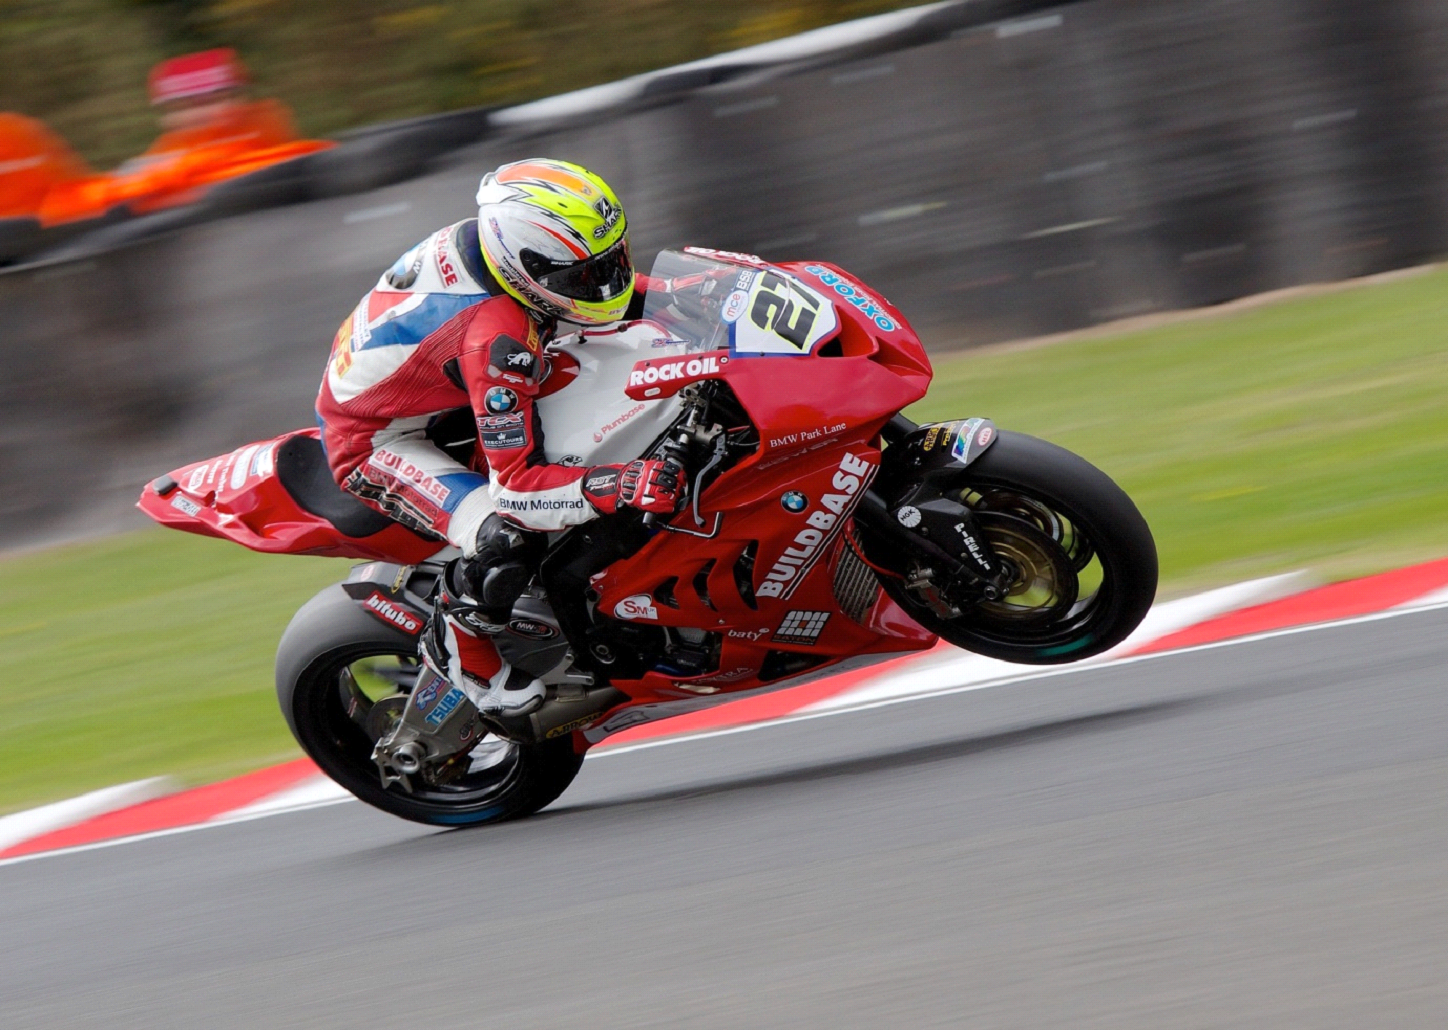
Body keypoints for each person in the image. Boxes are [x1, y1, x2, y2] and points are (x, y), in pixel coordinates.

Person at [316, 158, 683, 717]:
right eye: (581, 277)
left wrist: (681, 294)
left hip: (434, 388)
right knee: (504, 535)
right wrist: (618, 482)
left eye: (611, 263)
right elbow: (519, 489)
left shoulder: (497, 242)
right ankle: (463, 645)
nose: (603, 284)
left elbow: (612, 299)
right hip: (378, 441)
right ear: (525, 268)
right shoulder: (497, 339)